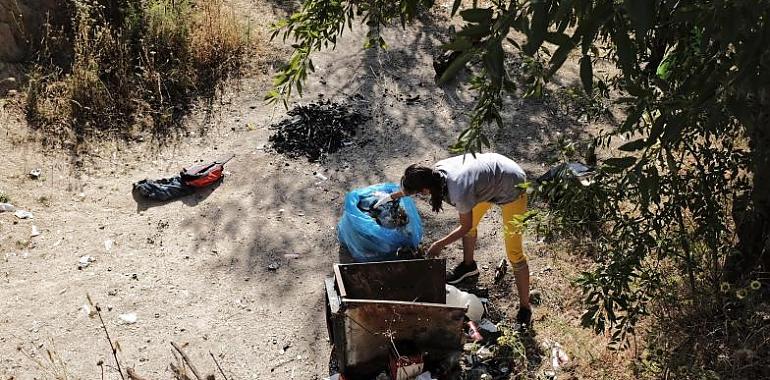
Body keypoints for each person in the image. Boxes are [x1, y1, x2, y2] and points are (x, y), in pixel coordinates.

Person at [375, 153, 532, 326]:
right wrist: (393, 196)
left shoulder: (458, 191)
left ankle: (525, 308)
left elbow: (464, 227)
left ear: (425, 190)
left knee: (514, 253)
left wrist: (438, 245)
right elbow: (414, 188)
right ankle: (468, 266)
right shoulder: (434, 174)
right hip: (493, 176)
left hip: (513, 184)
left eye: (418, 194)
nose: (419, 196)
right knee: (470, 226)